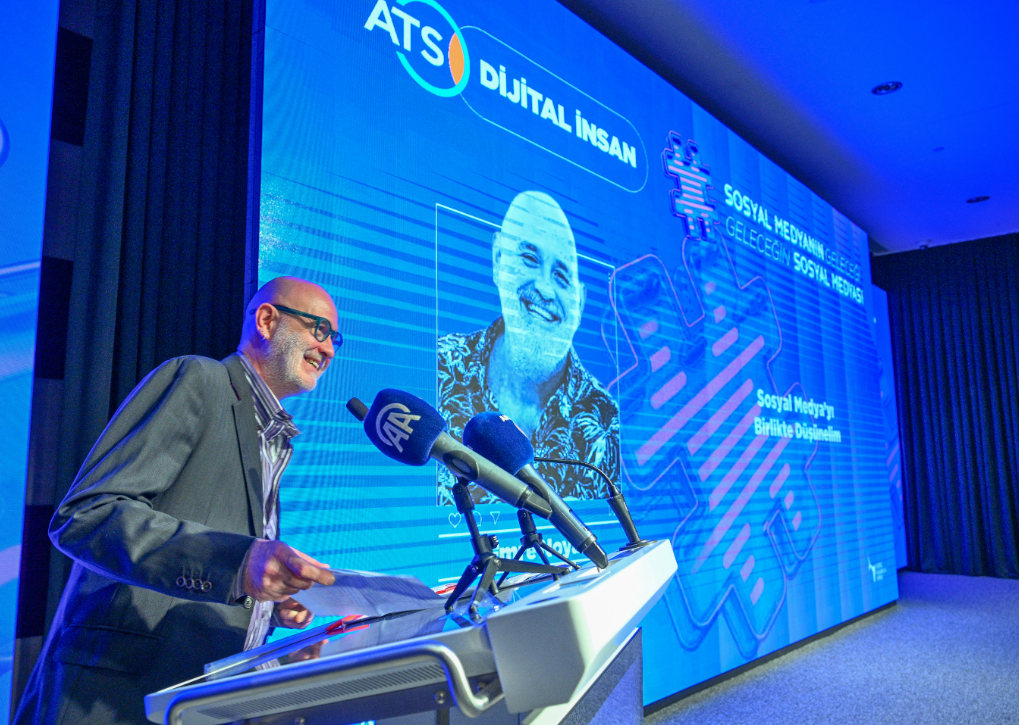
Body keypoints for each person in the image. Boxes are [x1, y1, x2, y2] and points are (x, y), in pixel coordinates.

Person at [15, 277, 341, 724]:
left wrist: (268, 611)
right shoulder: (200, 380)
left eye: (336, 339)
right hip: (115, 699)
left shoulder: (273, 437)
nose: (329, 350)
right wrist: (237, 562)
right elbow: (86, 516)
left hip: (192, 703)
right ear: (267, 321)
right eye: (320, 330)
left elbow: (205, 578)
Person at [437, 191, 619, 504]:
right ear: (498, 260)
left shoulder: (609, 425)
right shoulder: (439, 365)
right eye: (530, 259)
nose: (545, 288)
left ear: (580, 303)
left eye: (561, 276)